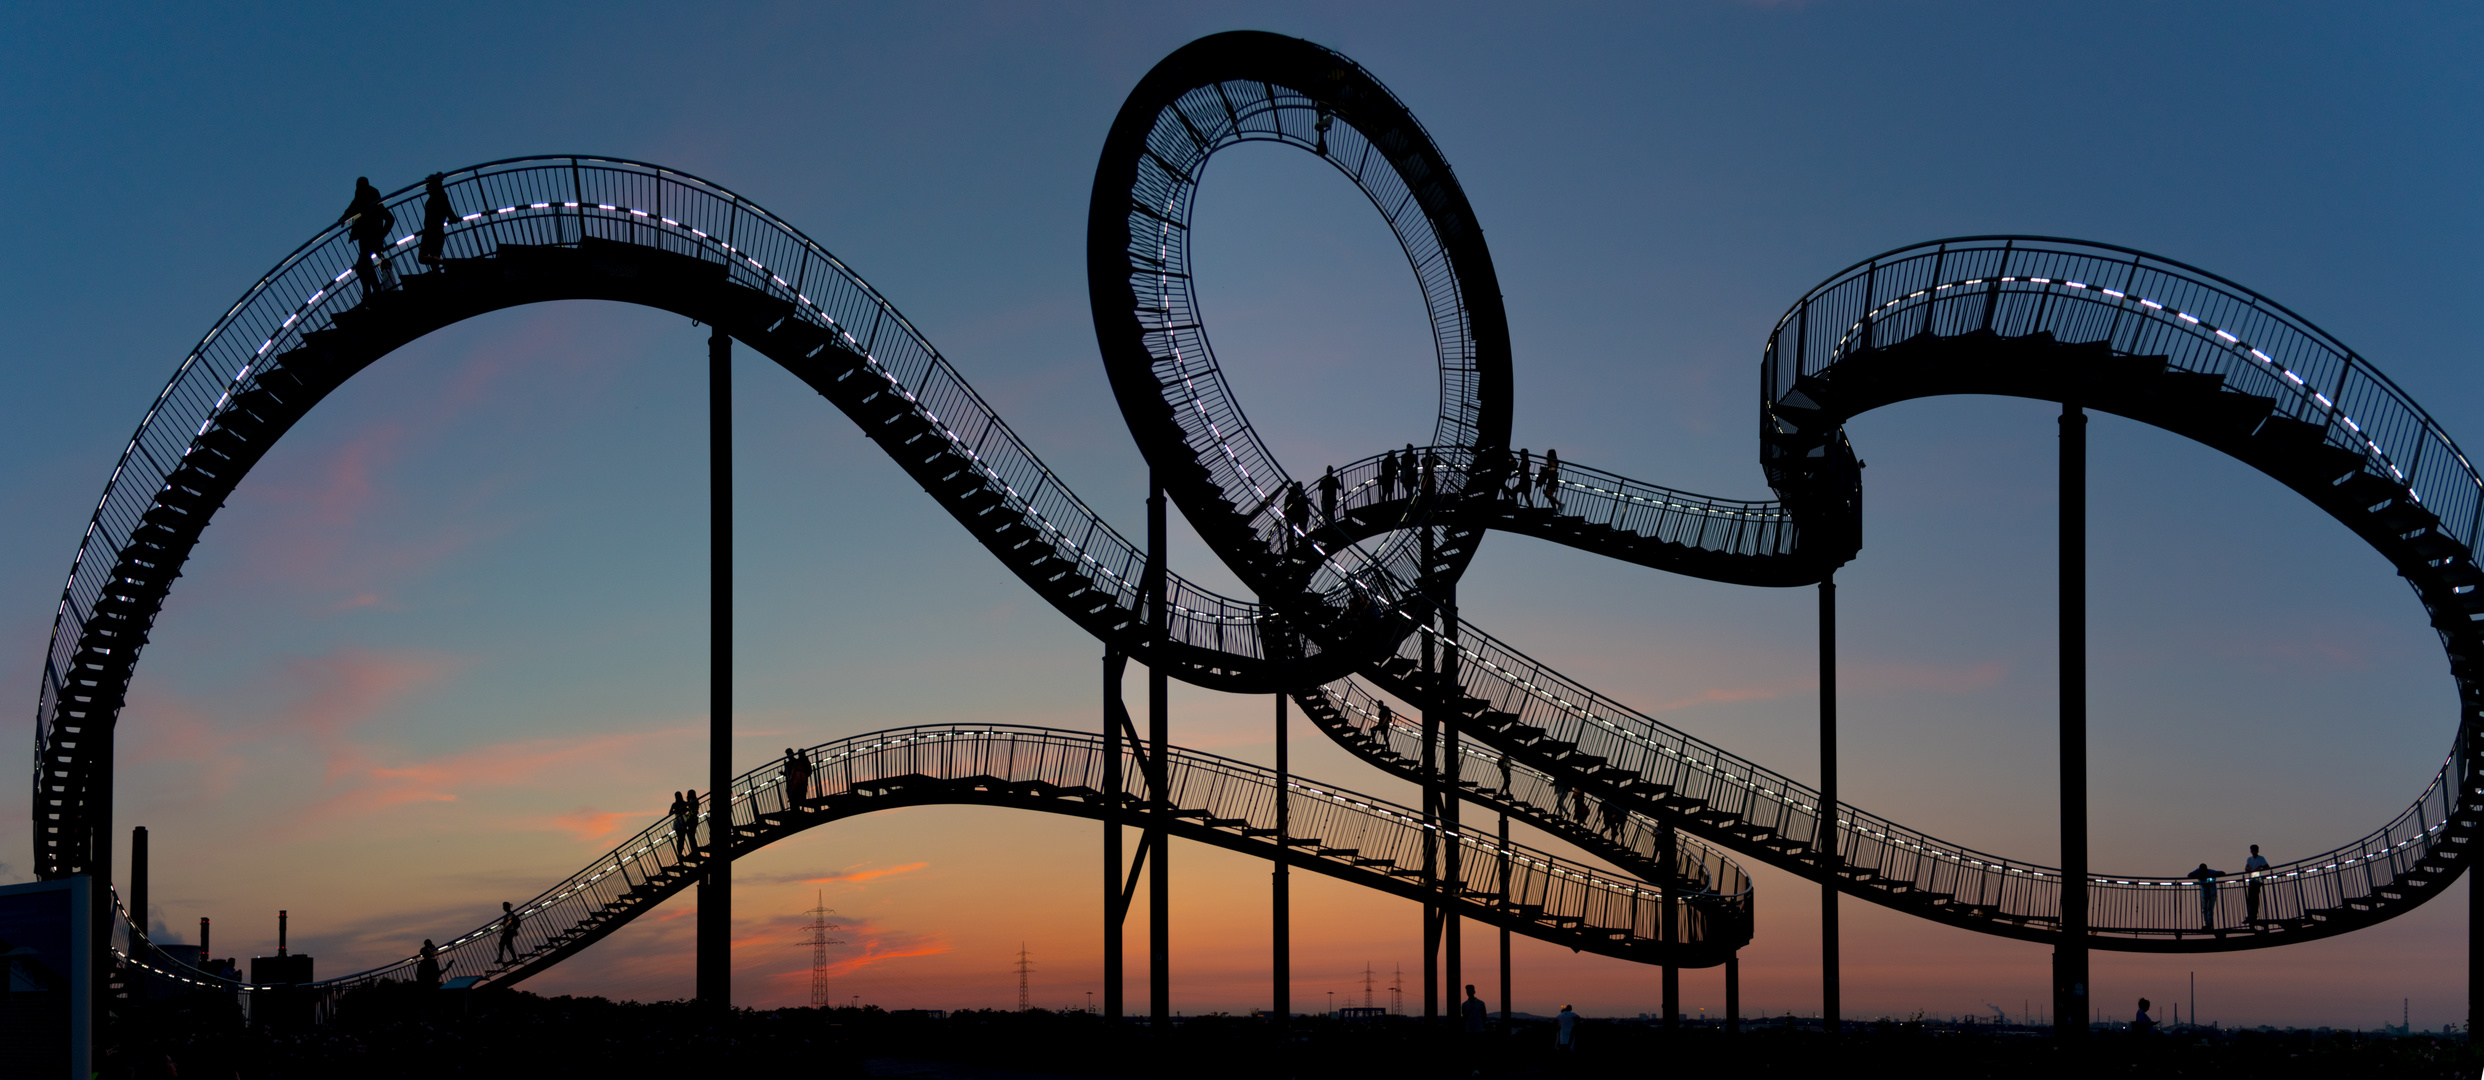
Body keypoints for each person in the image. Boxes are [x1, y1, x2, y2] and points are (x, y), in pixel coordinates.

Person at [337, 177, 396, 299]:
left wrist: (380, 235)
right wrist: (344, 218)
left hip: (370, 236)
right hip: (366, 236)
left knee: (364, 264)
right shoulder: (361, 199)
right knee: (361, 267)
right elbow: (353, 206)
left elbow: (390, 219)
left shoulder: (374, 205)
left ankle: (374, 291)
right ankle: (369, 293)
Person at [416, 172, 456, 269]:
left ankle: (446, 263)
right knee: (434, 260)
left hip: (430, 232)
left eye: (428, 186)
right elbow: (449, 212)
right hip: (437, 231)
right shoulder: (442, 196)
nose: (426, 189)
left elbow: (448, 210)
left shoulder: (437, 198)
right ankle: (445, 264)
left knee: (423, 258)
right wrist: (453, 218)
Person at [2186, 863, 2226, 929]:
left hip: (2212, 893)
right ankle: (2207, 923)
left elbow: (2222, 873)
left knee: (2209, 908)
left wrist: (2211, 875)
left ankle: (2209, 924)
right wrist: (2198, 875)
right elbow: (2189, 875)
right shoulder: (2198, 871)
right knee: (2205, 909)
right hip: (2204, 894)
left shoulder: (2210, 872)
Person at [2242, 843, 2270, 924]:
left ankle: (2253, 915)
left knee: (2254, 899)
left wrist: (2260, 867)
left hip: (2257, 880)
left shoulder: (2261, 858)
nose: (2254, 852)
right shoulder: (2249, 859)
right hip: (2251, 880)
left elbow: (2267, 866)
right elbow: (2247, 867)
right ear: (2251, 851)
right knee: (2250, 899)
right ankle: (2251, 915)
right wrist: (2247, 868)